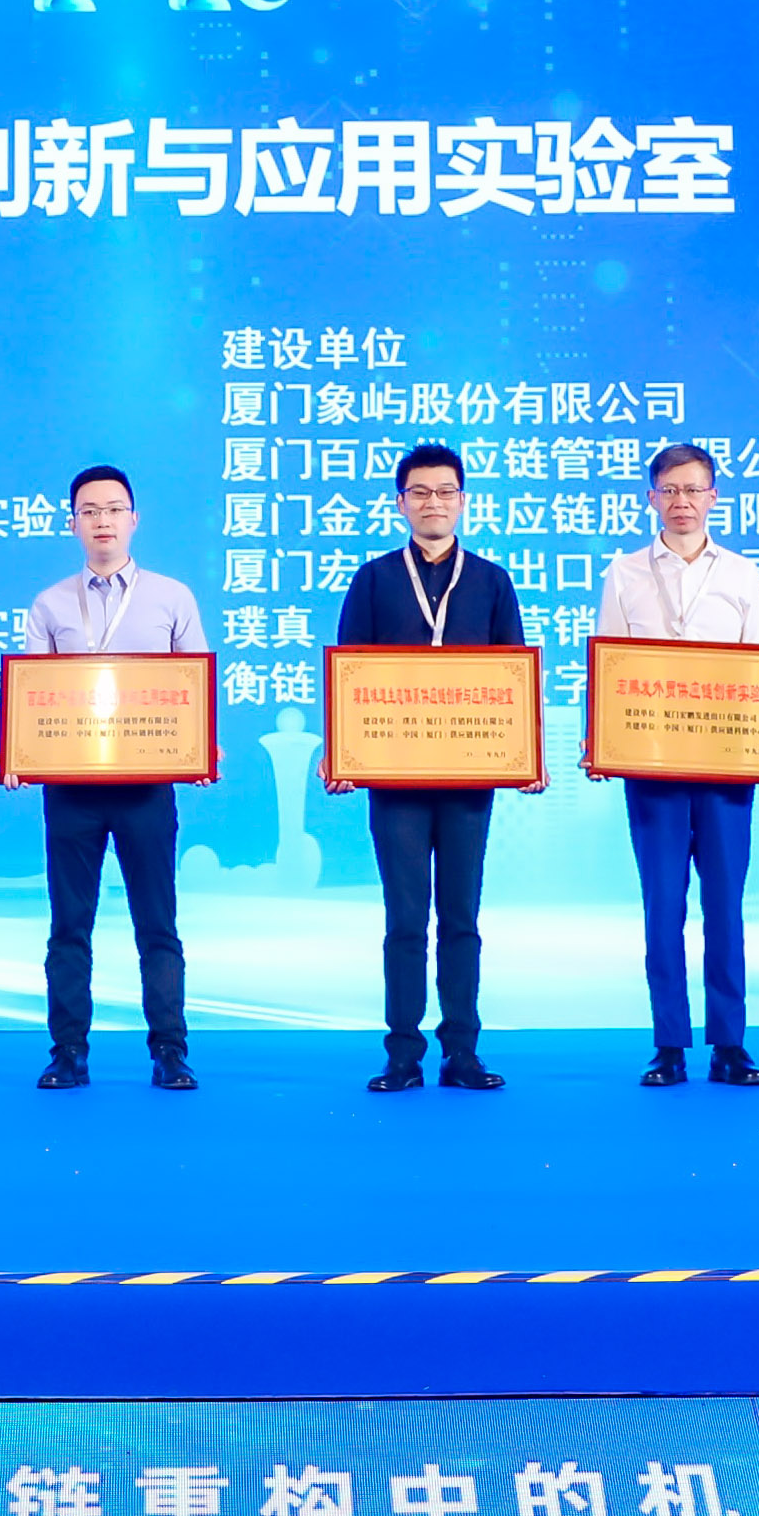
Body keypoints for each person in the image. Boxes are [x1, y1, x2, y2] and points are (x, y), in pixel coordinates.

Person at [333, 441, 528, 1094]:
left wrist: (524, 755)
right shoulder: (374, 579)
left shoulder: (492, 581)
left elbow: (513, 676)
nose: (433, 502)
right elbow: (350, 672)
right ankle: (403, 1054)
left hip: (469, 779)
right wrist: (342, 750)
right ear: (401, 503)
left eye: (445, 491)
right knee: (405, 919)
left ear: (462, 501)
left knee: (462, 918)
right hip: (396, 781)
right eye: (419, 492)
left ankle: (462, 1052)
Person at [597, 440, 759, 1090]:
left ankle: (730, 1044)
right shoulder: (624, 573)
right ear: (652, 498)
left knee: (725, 907)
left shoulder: (743, 574)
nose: (682, 502)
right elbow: (611, 664)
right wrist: (603, 742)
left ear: (713, 498)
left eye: (694, 490)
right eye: (670, 490)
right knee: (662, 906)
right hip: (653, 769)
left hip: (727, 767)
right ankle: (669, 1044)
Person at [20, 463, 205, 1090]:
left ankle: (170, 1050)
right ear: (72, 523)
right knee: (69, 926)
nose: (103, 520)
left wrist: (200, 747)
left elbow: (193, 688)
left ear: (134, 519)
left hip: (146, 790)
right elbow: (33, 698)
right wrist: (19, 754)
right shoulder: (49, 603)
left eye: (114, 509)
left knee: (158, 923)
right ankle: (68, 1052)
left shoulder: (172, 597)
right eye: (90, 510)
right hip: (71, 790)